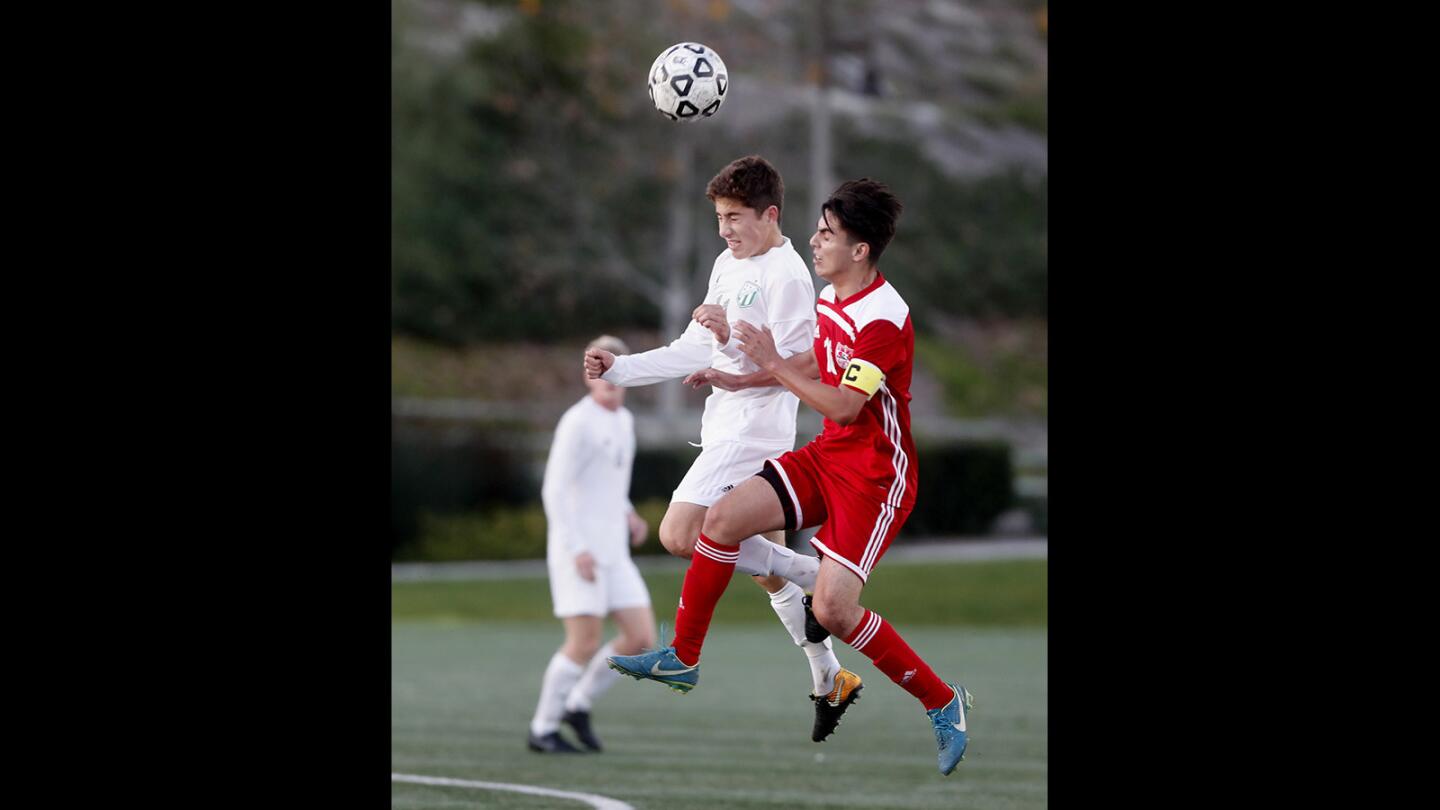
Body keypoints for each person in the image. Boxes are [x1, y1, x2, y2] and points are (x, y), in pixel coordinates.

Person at [608, 179, 975, 776]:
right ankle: (683, 657)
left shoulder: (883, 317)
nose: (815, 239)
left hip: (875, 478)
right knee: (719, 521)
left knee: (832, 610)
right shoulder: (834, 297)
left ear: (860, 250)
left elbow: (844, 406)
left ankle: (942, 701)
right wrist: (743, 378)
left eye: (828, 233)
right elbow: (812, 363)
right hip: (828, 456)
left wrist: (770, 362)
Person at [584, 155, 862, 742]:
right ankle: (829, 675)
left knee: (681, 534)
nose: (725, 229)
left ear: (770, 215)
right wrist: (623, 367)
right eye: (718, 217)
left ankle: (821, 575)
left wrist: (727, 335)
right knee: (762, 571)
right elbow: (695, 349)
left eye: (735, 217)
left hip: (754, 433)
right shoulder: (726, 262)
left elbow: (794, 365)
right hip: (724, 425)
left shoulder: (787, 274)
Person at [527, 335, 657, 754]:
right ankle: (542, 729)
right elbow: (556, 489)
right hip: (578, 549)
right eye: (598, 367)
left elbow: (607, 483)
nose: (608, 377)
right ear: (588, 376)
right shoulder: (577, 422)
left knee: (640, 637)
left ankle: (577, 705)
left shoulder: (624, 421)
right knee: (583, 641)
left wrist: (629, 513)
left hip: (613, 551)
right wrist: (575, 547)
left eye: (614, 367)